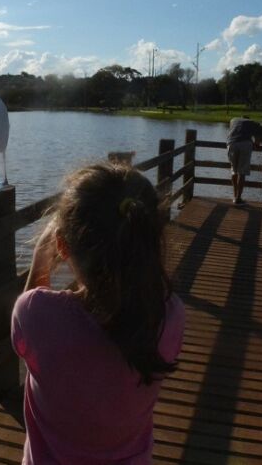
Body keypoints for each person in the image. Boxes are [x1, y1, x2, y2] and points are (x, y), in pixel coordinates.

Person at [11, 163, 185, 464]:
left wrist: (42, 254)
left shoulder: (36, 314)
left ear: (62, 246)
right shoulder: (169, 317)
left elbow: (29, 319)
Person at [226, 116, 262, 204]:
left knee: (234, 170)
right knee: (242, 172)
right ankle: (238, 198)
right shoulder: (252, 122)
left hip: (231, 143)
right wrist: (256, 143)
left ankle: (234, 195)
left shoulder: (233, 120)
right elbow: (261, 132)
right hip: (244, 144)